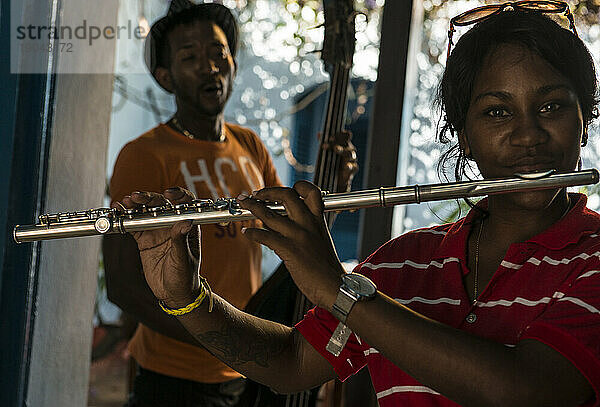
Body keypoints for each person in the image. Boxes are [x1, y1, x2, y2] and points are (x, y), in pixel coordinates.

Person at [117, 5, 600, 407]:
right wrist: (187, 297)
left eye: (553, 106)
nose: (528, 133)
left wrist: (338, 290)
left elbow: (526, 391)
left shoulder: (593, 258)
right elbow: (289, 363)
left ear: (585, 118)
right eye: (497, 111)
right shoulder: (403, 261)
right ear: (465, 137)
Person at [103, 1, 357, 406]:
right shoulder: (145, 155)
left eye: (218, 52)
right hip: (174, 378)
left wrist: (335, 194)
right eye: (189, 57)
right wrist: (212, 333)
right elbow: (123, 285)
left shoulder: (250, 146)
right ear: (166, 77)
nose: (209, 66)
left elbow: (291, 231)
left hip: (245, 370)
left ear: (233, 63)